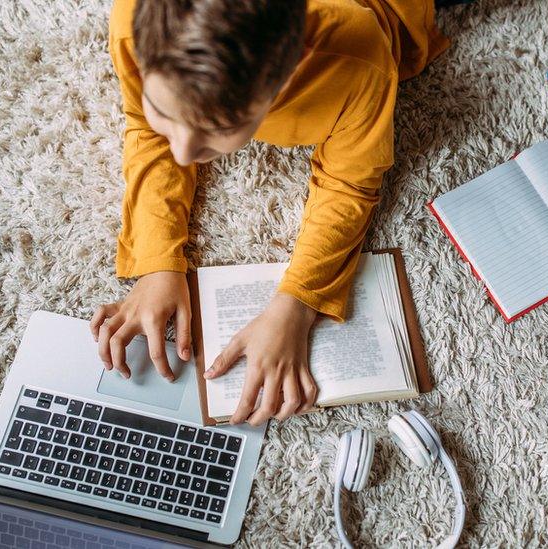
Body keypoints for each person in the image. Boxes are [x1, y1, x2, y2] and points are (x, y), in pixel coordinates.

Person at [91, 0, 448, 426]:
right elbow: (145, 130)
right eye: (165, 112)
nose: (182, 151)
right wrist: (156, 263)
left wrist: (296, 304)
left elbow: (349, 185)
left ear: (286, 78)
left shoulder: (356, 56)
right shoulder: (133, 20)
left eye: (218, 130)